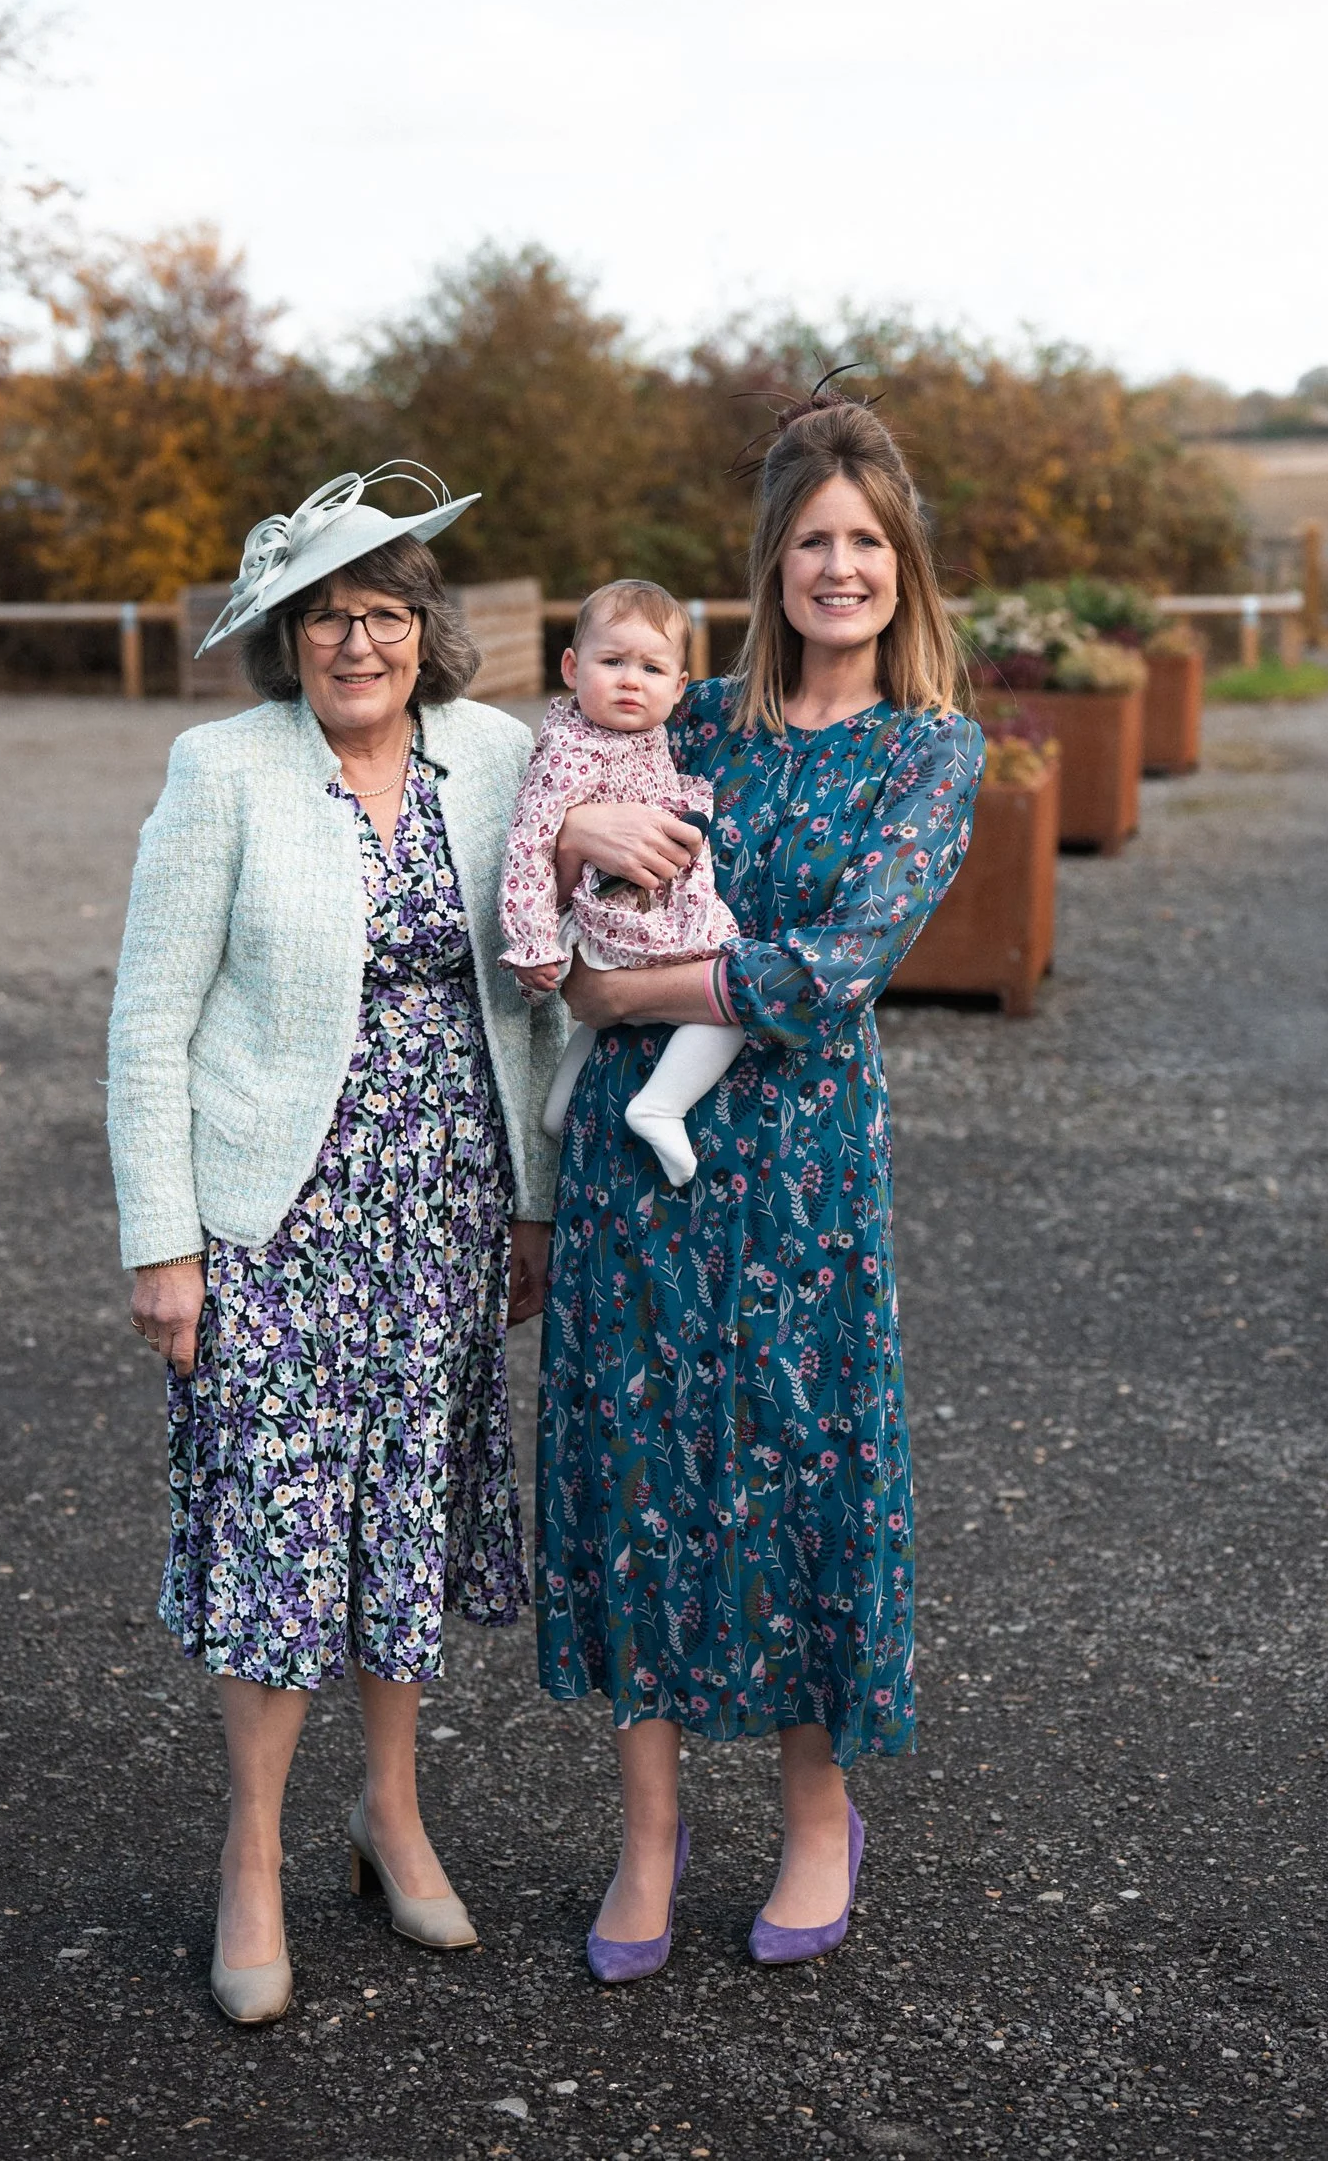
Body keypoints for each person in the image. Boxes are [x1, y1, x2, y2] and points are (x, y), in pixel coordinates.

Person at [108, 465, 566, 2024]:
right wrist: (161, 1243)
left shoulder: (497, 755)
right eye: (322, 619)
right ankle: (249, 1856)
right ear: (285, 641)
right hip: (277, 1216)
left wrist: (534, 1199)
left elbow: (532, 988)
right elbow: (147, 1021)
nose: (354, 642)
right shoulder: (221, 769)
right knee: (280, 1527)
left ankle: (390, 1813)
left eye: (379, 613)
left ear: (424, 628)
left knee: (408, 1513)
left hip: (442, 1203)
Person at [535, 393, 984, 1980]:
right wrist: (580, 818)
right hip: (636, 1171)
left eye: (864, 541)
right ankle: (644, 1839)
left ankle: (813, 1816)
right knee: (644, 1472)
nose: (838, 567)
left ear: (899, 562)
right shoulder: (692, 726)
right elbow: (542, 827)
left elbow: (830, 969)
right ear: (769, 562)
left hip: (800, 1171)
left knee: (801, 1474)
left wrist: (630, 997)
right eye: (811, 541)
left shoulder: (929, 749)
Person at [498, 578, 742, 1187]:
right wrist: (532, 943)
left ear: (680, 686)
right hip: (611, 915)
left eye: (652, 668)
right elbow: (528, 845)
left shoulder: (642, 735)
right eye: (613, 662)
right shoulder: (568, 750)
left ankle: (557, 1110)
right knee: (731, 998)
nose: (632, 680)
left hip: (626, 913)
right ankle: (660, 1105)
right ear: (572, 667)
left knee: (603, 1017)